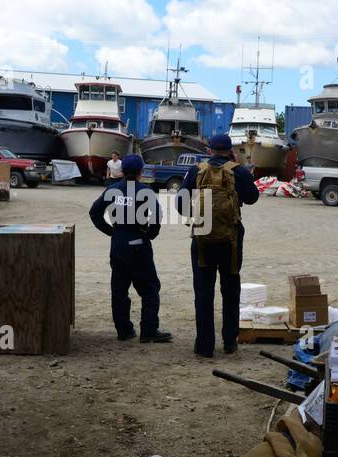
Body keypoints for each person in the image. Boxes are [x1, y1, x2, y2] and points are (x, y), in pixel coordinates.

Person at [179, 133, 259, 358]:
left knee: (203, 292)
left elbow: (180, 206)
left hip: (203, 238)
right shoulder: (238, 171)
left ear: (209, 150)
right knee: (231, 290)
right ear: (229, 150)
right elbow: (252, 198)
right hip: (231, 240)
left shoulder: (196, 170)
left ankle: (204, 346)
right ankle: (230, 342)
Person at [89, 154, 171, 343]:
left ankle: (124, 330)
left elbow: (94, 212)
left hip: (118, 242)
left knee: (119, 289)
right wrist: (151, 234)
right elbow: (157, 215)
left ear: (122, 171)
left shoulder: (112, 189)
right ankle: (149, 330)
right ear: (141, 172)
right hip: (138, 242)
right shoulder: (145, 190)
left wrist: (110, 231)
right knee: (150, 288)